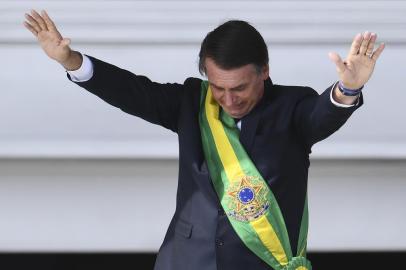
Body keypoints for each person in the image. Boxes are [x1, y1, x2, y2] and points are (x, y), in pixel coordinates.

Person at [24, 9, 384, 270]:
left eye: (240, 88)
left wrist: (348, 87)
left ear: (265, 71)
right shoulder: (192, 104)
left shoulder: (292, 107)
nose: (228, 99)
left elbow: (323, 114)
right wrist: (70, 60)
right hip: (186, 261)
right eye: (218, 87)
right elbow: (132, 91)